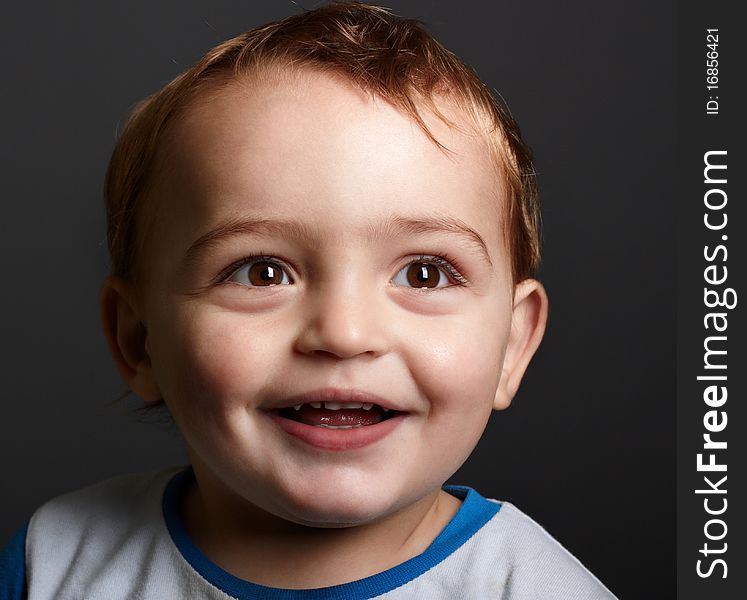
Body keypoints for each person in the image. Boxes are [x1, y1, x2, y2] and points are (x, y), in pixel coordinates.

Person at [0, 2, 617, 598]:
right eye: (262, 273)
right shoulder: (51, 563)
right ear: (138, 341)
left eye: (424, 274)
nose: (345, 333)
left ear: (511, 345)